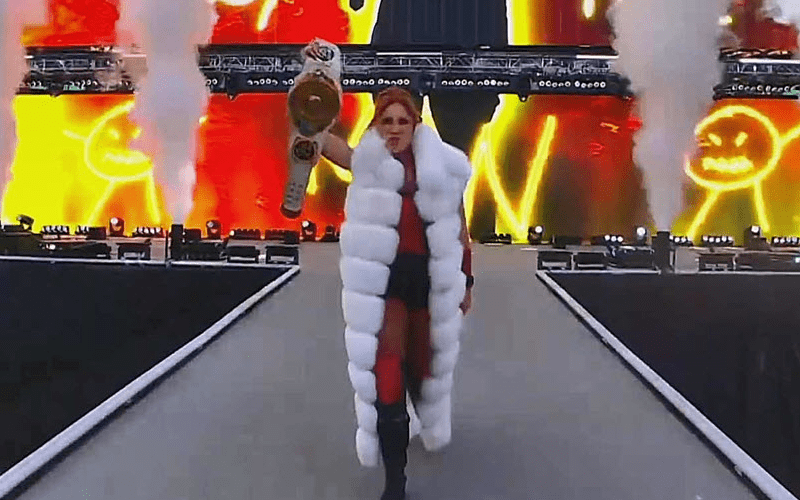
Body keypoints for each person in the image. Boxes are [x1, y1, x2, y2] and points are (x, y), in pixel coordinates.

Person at [320, 85, 473, 500]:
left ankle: (422, 414)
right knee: (387, 373)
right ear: (377, 124)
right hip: (385, 287)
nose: (394, 128)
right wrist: (311, 95)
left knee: (422, 372)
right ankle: (395, 482)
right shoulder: (367, 163)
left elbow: (460, 230)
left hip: (429, 286)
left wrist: (467, 280)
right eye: (387, 120)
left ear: (415, 125)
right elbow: (321, 139)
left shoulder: (441, 170)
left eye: (402, 121)